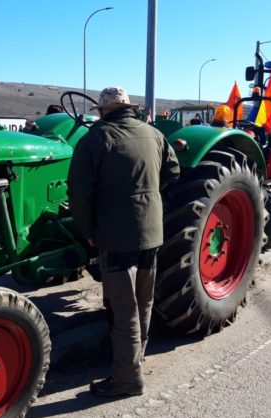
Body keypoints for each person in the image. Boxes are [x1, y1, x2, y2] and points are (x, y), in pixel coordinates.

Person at [67, 86, 180, 398]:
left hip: (116, 237)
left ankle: (127, 380)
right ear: (129, 108)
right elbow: (172, 171)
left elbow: (79, 193)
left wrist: (88, 229)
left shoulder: (96, 139)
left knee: (122, 310)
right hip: (152, 233)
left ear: (103, 111)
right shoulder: (154, 134)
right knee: (144, 301)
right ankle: (135, 360)